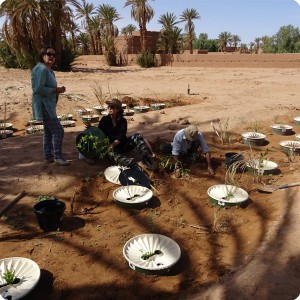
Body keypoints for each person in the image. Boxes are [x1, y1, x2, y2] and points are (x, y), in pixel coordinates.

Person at [31, 46, 69, 166]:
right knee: (58, 131)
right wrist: (55, 90)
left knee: (48, 131)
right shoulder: (41, 69)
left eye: (54, 54)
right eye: (49, 54)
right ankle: (57, 157)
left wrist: (57, 90)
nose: (52, 56)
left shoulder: (49, 70)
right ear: (43, 56)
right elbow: (37, 89)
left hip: (49, 105)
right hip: (44, 105)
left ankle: (48, 156)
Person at [97, 98, 155, 170]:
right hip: (111, 148)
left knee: (137, 136)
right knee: (110, 153)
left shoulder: (122, 121)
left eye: (112, 107)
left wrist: (114, 143)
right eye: (108, 106)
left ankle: (146, 159)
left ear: (118, 109)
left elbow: (122, 135)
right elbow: (99, 134)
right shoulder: (104, 120)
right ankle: (133, 164)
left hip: (122, 145)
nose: (109, 108)